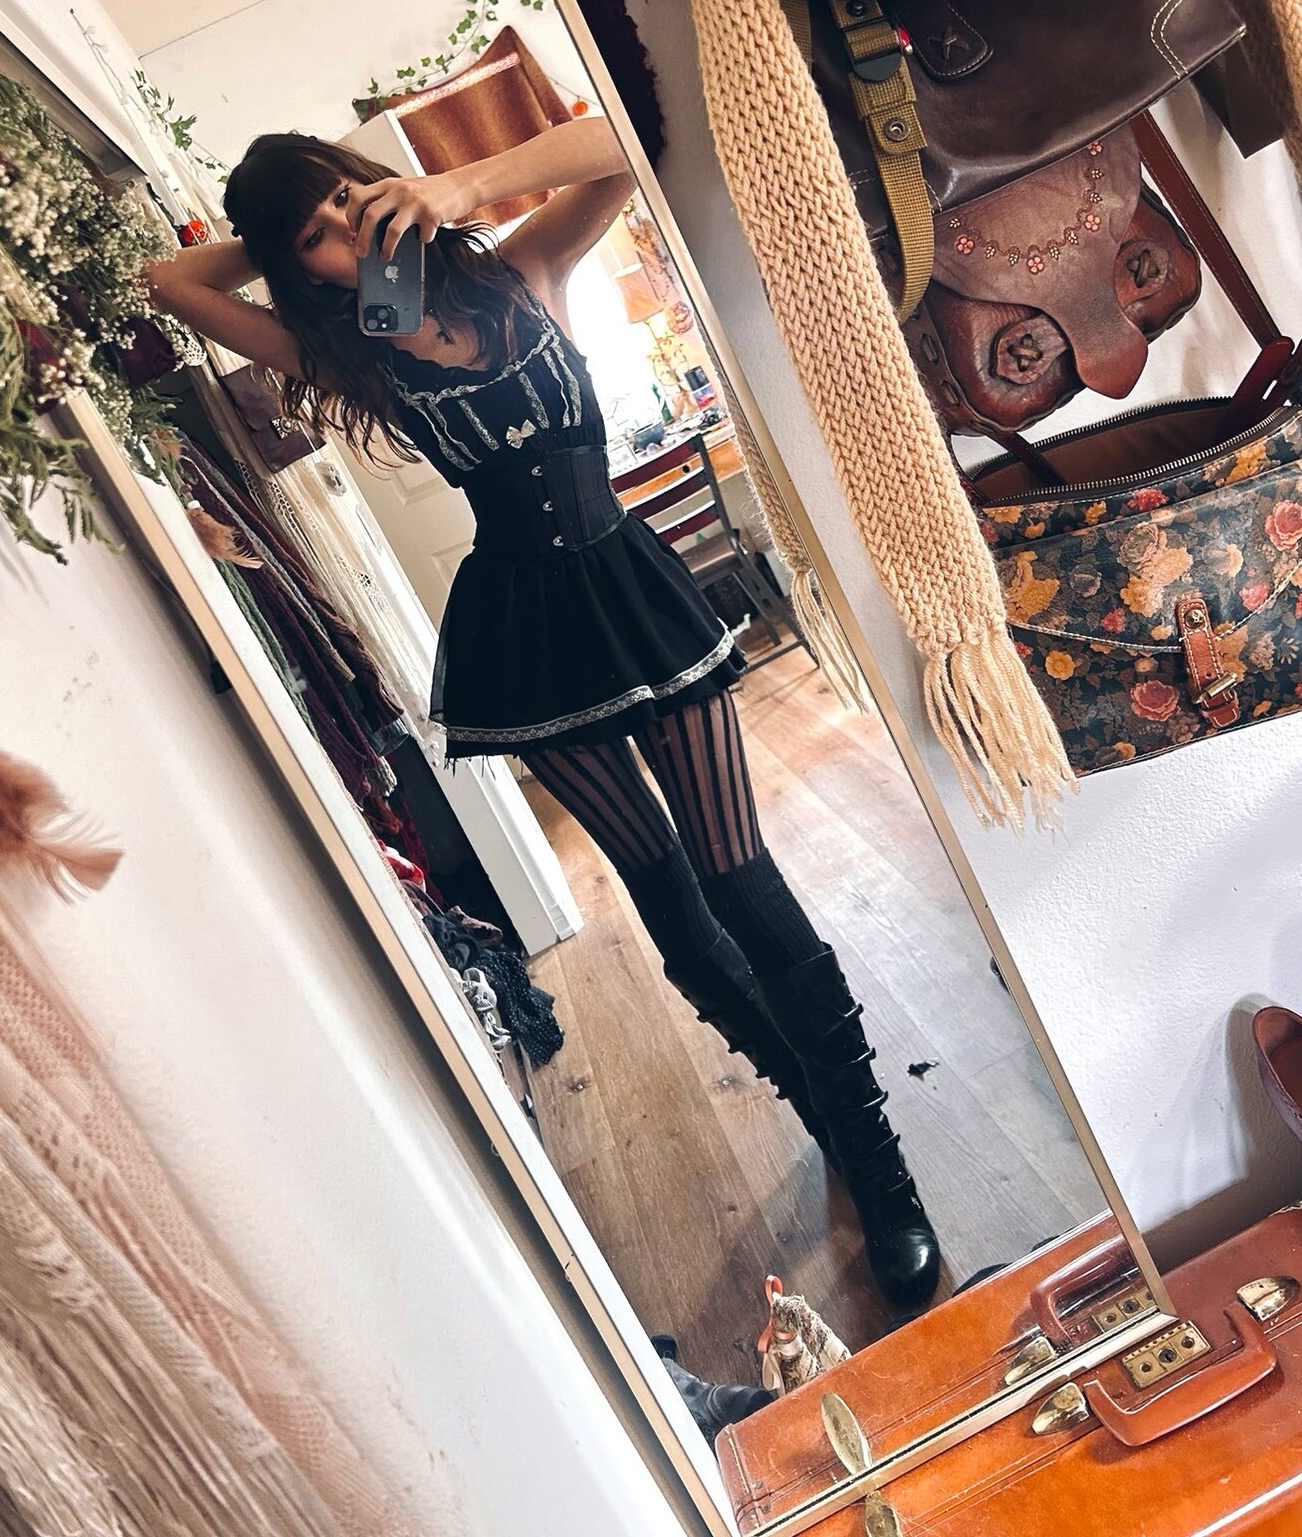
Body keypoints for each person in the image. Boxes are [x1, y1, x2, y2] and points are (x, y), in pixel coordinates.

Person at [147, 115, 940, 1309]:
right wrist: (280, 242)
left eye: (347, 202)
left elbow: (625, 138)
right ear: (292, 264)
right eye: (312, 238)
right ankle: (817, 1108)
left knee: (740, 877)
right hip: (522, 632)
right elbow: (169, 280)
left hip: (631, 589)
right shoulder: (346, 354)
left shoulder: (524, 267)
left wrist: (451, 188)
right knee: (674, 910)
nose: (345, 236)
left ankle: (880, 1167)